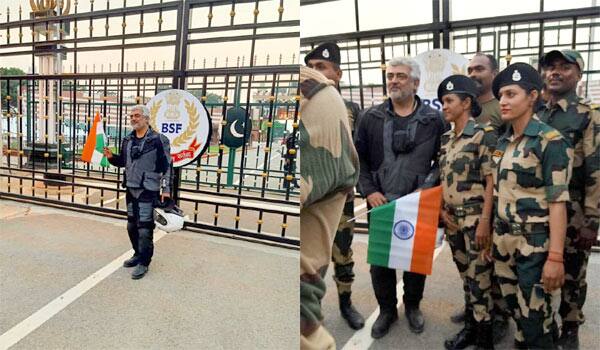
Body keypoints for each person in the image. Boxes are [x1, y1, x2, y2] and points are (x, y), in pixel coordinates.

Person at [354, 56, 448, 338]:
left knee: (415, 260)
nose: (393, 81)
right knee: (381, 261)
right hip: (382, 203)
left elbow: (443, 160)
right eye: (390, 75)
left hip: (418, 204)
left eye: (401, 76)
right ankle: (386, 311)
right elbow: (359, 161)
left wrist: (426, 188)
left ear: (416, 83)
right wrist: (369, 191)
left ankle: (413, 306)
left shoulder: (433, 120)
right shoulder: (371, 118)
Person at [491, 62, 573, 349]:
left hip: (535, 245)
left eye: (511, 94)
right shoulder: (504, 141)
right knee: (517, 311)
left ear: (533, 96)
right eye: (501, 95)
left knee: (537, 319)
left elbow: (558, 202)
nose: (503, 101)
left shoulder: (550, 142)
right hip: (504, 241)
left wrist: (555, 257)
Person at [538, 49, 600, 349]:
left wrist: (592, 219)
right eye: (550, 67)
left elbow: (596, 168)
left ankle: (571, 325)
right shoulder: (536, 113)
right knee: (542, 267)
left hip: (574, 210)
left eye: (564, 67)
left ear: (578, 74)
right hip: (537, 209)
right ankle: (545, 323)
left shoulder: (588, 114)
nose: (555, 72)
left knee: (573, 273)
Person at [304, 41, 365, 329]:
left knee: (343, 253)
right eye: (312, 67)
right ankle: (311, 310)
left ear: (337, 73)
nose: (316, 72)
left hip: (341, 198)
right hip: (312, 195)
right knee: (312, 259)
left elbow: (361, 152)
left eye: (322, 67)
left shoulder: (351, 108)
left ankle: (346, 303)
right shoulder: (304, 103)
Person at [437, 75, 496, 350]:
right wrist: (440, 209)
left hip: (475, 221)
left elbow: (491, 182)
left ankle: (484, 338)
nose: (444, 106)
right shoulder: (448, 138)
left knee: (480, 278)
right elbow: (443, 177)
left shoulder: (484, 135)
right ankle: (472, 326)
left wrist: (485, 222)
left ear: (466, 102)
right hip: (452, 220)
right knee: (465, 275)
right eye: (442, 101)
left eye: (449, 101)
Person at [467, 53, 510, 344]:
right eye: (469, 69)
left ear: (494, 72)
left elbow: (503, 147)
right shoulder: (467, 106)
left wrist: (491, 166)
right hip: (468, 197)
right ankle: (474, 310)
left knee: (494, 262)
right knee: (473, 264)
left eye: (479, 68)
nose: (473, 73)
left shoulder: (500, 107)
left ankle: (499, 317)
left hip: (494, 194)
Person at [103, 105, 173, 280]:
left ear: (147, 119)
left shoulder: (158, 140)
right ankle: (136, 254)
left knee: (144, 228)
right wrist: (112, 157)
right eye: (131, 116)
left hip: (148, 189)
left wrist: (166, 189)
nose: (133, 119)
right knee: (131, 225)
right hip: (130, 188)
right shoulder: (127, 139)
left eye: (137, 116)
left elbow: (166, 167)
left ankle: (144, 262)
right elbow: (123, 162)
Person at [468, 53, 503, 132]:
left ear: (495, 74)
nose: (472, 74)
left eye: (479, 69)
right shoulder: (464, 106)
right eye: (470, 71)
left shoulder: (504, 107)